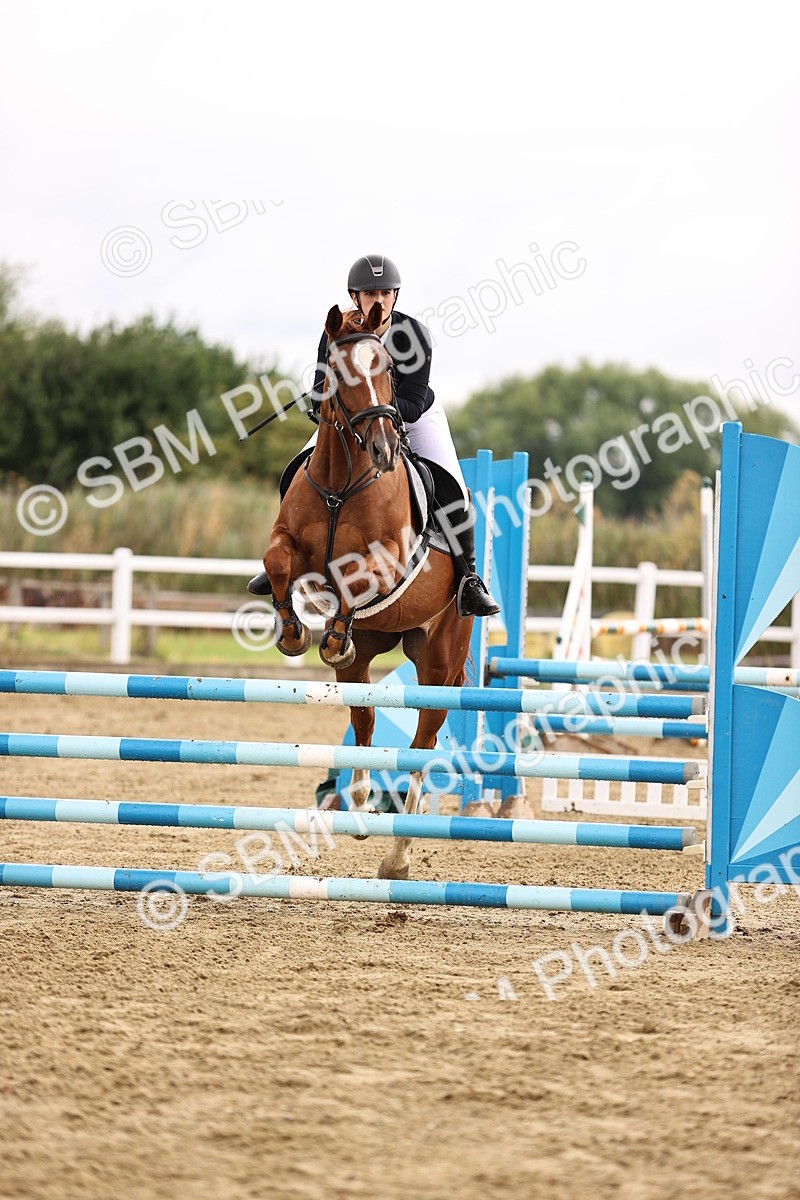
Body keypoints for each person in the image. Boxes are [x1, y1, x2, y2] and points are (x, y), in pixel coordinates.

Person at [248, 253, 499, 618]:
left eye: (385, 293)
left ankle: (468, 578)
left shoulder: (412, 335)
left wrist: (374, 397)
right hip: (351, 420)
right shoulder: (337, 332)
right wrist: (338, 398)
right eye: (369, 294)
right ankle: (280, 559)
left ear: (395, 296)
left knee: (453, 487)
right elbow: (321, 389)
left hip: (414, 416)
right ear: (355, 298)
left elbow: (412, 401)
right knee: (297, 470)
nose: (377, 300)